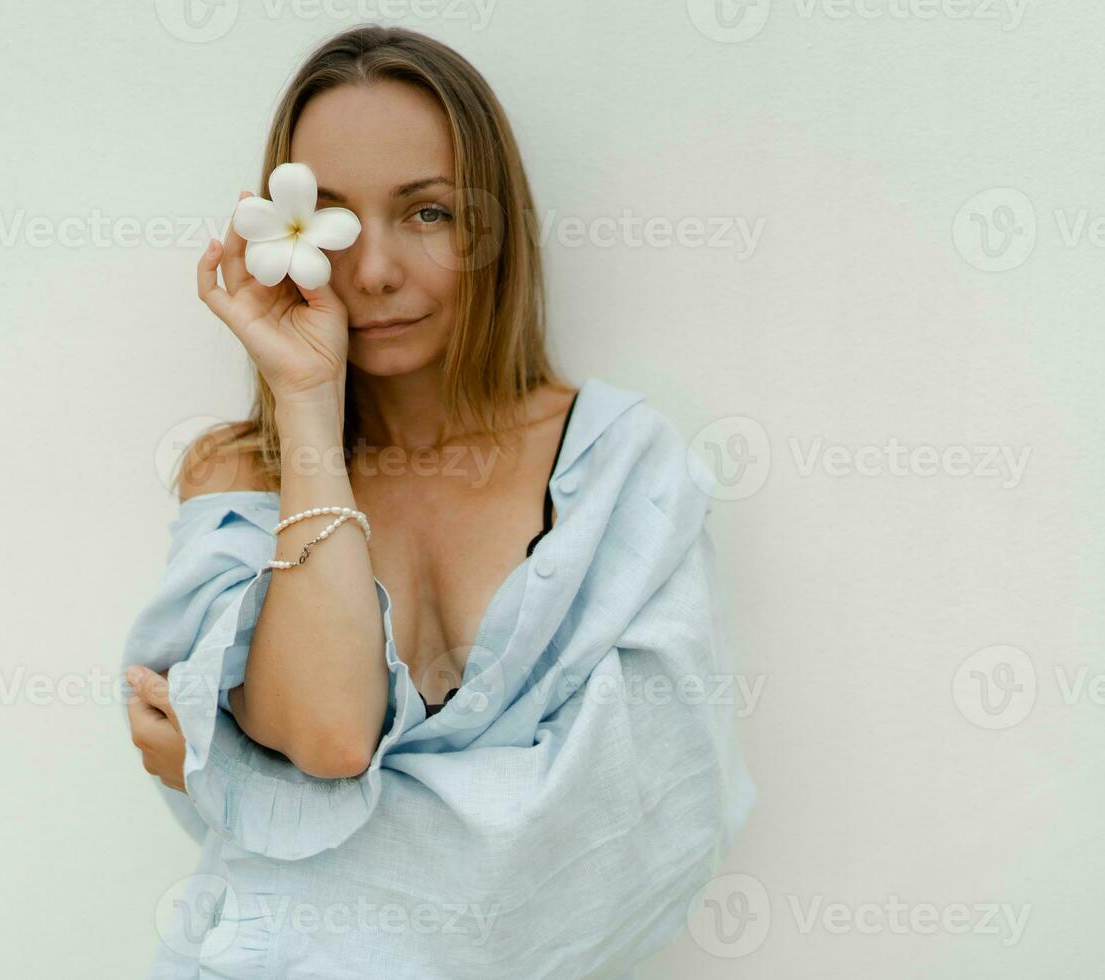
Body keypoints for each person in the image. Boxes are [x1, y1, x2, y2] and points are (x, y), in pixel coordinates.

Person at [122, 24, 756, 978]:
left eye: (426, 214)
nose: (372, 270)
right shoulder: (239, 477)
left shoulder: (624, 474)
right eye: (329, 218)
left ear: (493, 228)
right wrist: (304, 408)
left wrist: (247, 794)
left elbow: (639, 840)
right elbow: (334, 738)